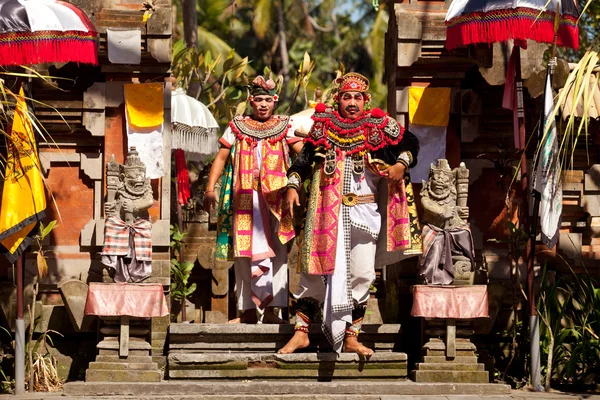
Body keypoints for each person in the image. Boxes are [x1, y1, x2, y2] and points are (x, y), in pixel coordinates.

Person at [278, 72, 420, 355]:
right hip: (323, 214)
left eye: (357, 97)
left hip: (364, 214)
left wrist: (401, 166)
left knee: (363, 274)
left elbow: (411, 142)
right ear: (338, 100)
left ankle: (352, 336)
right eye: (346, 96)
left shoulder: (379, 126)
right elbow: (303, 161)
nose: (352, 102)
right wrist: (293, 185)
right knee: (312, 273)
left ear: (365, 100)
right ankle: (301, 332)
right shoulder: (323, 127)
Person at [204, 76, 303, 324]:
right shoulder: (237, 126)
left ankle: (274, 309)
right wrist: (209, 188)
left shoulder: (286, 125)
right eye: (258, 99)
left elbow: (303, 155)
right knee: (243, 251)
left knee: (279, 251)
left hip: (279, 197)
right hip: (245, 196)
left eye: (267, 100)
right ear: (250, 101)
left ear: (275, 102)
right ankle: (247, 310)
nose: (262, 104)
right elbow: (221, 157)